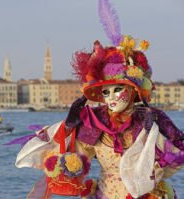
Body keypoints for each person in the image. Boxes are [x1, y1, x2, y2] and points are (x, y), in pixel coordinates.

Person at [14, 1, 184, 198]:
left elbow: (177, 157)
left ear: (133, 89)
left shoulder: (153, 118)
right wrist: (68, 131)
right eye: (105, 92)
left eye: (117, 89)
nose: (110, 97)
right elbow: (76, 165)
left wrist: (153, 139)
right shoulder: (95, 122)